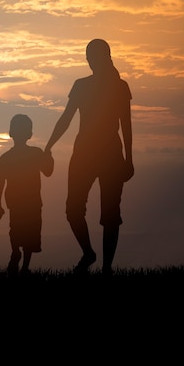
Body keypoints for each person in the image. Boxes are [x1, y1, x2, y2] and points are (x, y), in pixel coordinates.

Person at [45, 39, 134, 275]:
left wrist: (129, 158)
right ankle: (89, 253)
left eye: (93, 56)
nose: (90, 60)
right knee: (73, 210)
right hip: (84, 154)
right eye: (88, 56)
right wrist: (49, 145)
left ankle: (106, 268)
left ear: (105, 57)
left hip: (110, 156)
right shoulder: (81, 85)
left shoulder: (120, 87)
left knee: (110, 214)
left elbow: (126, 124)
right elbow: (66, 118)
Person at [0, 114, 54, 275]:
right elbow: (48, 172)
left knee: (18, 230)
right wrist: (50, 158)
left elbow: (0, 183)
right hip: (28, 202)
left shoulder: (7, 157)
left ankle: (19, 257)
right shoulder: (35, 153)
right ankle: (24, 263)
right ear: (30, 134)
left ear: (10, 133)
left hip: (19, 202)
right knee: (28, 233)